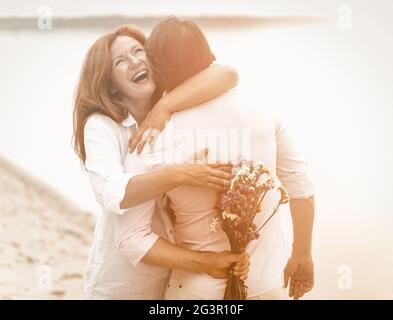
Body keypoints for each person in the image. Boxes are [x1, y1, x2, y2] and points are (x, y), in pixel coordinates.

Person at [116, 17, 315, 300]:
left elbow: (131, 239)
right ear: (209, 55)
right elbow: (301, 191)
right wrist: (303, 255)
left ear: (157, 69)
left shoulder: (149, 140)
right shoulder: (265, 115)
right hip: (269, 283)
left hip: (197, 291)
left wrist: (204, 263)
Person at [73, 24, 249, 299]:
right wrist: (179, 175)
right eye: (120, 61)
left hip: (176, 276)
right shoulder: (102, 126)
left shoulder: (172, 107)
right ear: (110, 85)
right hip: (124, 281)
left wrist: (164, 107)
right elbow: (111, 192)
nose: (135, 62)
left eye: (138, 51)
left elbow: (227, 74)